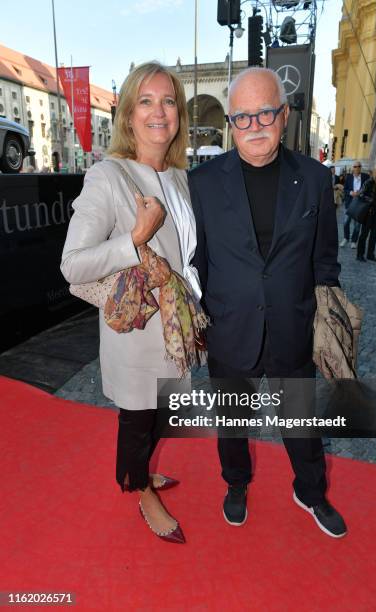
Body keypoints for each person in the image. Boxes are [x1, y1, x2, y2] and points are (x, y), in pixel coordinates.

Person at [188, 67, 347, 538]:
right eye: (242, 117)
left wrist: (325, 318)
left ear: (283, 116)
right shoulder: (203, 181)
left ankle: (311, 492)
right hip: (230, 325)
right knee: (232, 421)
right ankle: (236, 483)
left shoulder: (316, 179)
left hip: (291, 326)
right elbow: (199, 258)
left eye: (265, 113)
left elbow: (326, 260)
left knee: (301, 423)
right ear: (230, 123)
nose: (254, 125)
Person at [61, 62, 197, 544]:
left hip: (178, 330)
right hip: (138, 335)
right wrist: (134, 239)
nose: (158, 111)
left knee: (162, 415)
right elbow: (72, 264)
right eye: (146, 100)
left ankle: (133, 474)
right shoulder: (108, 176)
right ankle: (141, 489)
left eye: (168, 101)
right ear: (128, 115)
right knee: (139, 418)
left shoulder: (181, 178)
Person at [356, 164, 376, 262]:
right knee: (364, 234)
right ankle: (360, 254)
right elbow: (361, 194)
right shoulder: (370, 182)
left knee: (374, 235)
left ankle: (370, 254)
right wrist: (373, 201)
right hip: (369, 213)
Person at [340, 161, 369, 248]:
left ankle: (354, 241)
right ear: (353, 168)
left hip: (360, 203)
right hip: (350, 203)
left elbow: (368, 189)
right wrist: (351, 192)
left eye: (358, 166)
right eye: (355, 166)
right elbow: (345, 189)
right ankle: (346, 238)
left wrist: (361, 193)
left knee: (357, 224)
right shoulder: (348, 177)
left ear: (361, 167)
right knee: (346, 222)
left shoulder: (366, 177)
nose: (357, 168)